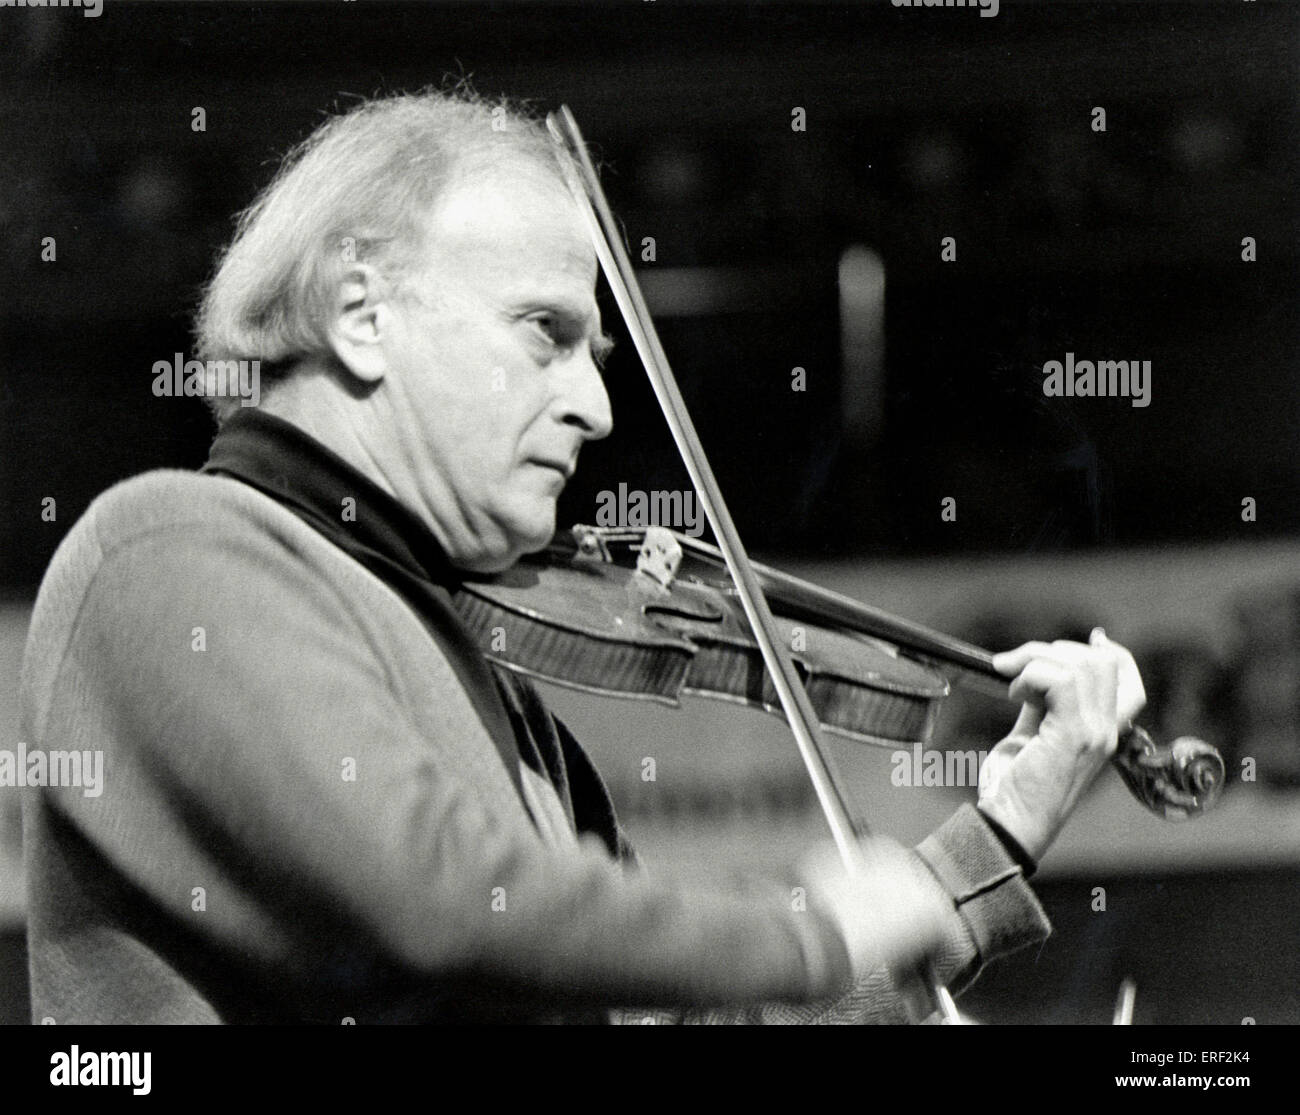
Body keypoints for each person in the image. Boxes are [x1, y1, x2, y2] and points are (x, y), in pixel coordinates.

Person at [19, 89, 1144, 1024]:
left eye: (600, 352)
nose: (599, 406)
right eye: (546, 332)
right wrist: (807, 930)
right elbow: (441, 900)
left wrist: (988, 844)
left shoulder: (467, 652)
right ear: (361, 314)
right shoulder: (173, 546)